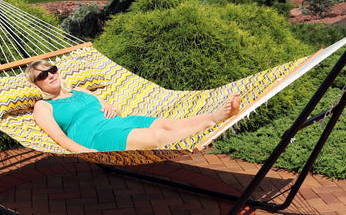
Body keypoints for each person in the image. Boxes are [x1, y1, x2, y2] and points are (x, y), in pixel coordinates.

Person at [25, 59, 240, 153]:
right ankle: (204, 131)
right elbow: (60, 138)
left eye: (52, 69)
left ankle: (215, 117)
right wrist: (87, 153)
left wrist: (111, 108)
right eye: (43, 75)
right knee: (155, 138)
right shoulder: (43, 107)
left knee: (166, 124)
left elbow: (111, 107)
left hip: (119, 122)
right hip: (97, 137)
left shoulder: (80, 91)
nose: (50, 75)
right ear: (37, 84)